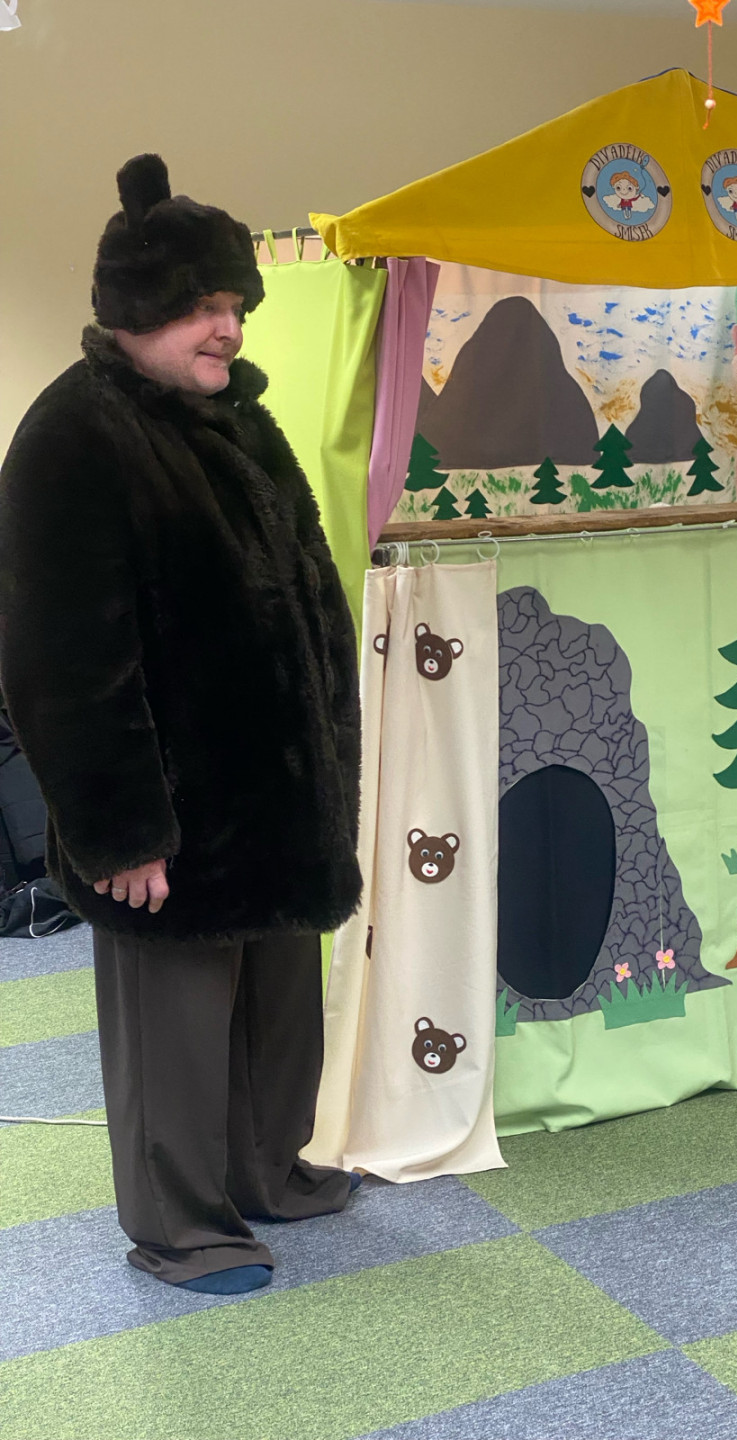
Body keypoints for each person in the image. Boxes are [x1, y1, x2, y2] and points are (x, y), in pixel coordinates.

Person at [0, 154, 363, 1295]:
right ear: (138, 308)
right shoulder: (71, 436)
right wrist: (120, 830)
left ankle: (267, 1170)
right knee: (178, 1033)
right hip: (168, 819)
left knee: (277, 1020)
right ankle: (181, 1226)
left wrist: (332, 765)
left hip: (276, 804)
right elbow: (60, 663)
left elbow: (302, 591)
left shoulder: (236, 423)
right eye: (206, 306)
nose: (230, 328)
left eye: (235, 305)